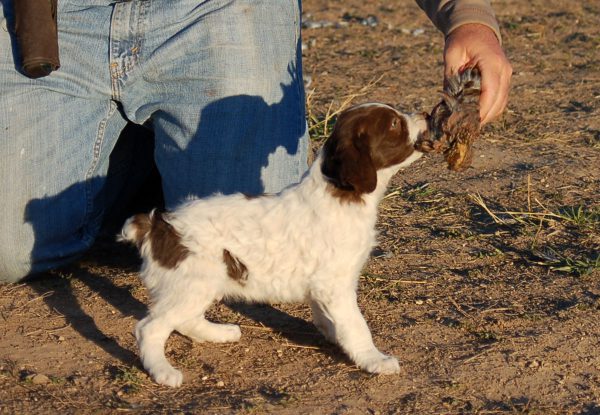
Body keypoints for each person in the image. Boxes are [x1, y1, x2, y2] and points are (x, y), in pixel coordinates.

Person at [0, 0, 511, 283]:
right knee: (9, 250)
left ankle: (182, 159)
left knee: (263, 261)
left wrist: (468, 17)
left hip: (220, 12)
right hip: (58, 21)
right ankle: (144, 158)